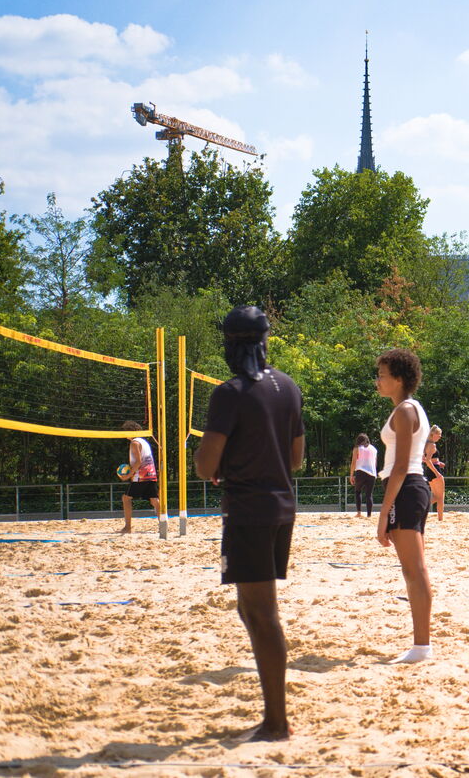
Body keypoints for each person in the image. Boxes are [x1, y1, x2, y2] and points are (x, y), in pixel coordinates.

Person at [193, 306, 305, 742]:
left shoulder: (230, 392)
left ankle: (276, 723)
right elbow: (295, 459)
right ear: (264, 341)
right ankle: (273, 718)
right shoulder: (288, 387)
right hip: (281, 507)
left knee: (261, 614)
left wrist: (223, 463)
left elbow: (206, 466)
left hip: (248, 510)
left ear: (230, 343)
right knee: (252, 610)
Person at [374, 348, 434, 663]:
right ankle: (421, 645)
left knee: (415, 569)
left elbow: (400, 466)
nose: (378, 381)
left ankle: (421, 646)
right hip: (410, 487)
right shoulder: (411, 408)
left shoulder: (405, 410)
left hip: (406, 488)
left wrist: (383, 513)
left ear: (398, 379)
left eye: (382, 375)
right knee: (414, 569)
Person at [117, 421, 160, 534]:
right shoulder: (144, 442)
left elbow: (138, 462)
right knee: (154, 500)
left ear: (130, 431)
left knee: (126, 498)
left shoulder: (134, 443)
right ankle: (163, 523)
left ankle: (128, 527)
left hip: (141, 476)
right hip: (151, 474)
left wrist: (128, 475)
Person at [348, 433, 378, 519]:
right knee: (369, 494)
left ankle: (359, 513)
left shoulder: (357, 448)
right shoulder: (374, 449)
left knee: (358, 491)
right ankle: (369, 515)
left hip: (360, 472)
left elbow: (353, 462)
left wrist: (351, 475)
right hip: (372, 473)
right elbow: (375, 463)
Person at [422, 424, 446, 522]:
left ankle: (420, 506)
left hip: (430, 471)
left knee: (436, 496)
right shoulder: (432, 445)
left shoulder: (426, 444)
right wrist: (437, 473)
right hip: (434, 471)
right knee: (440, 497)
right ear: (433, 434)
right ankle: (440, 519)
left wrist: (438, 463)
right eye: (439, 434)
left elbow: (424, 459)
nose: (440, 436)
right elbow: (428, 460)